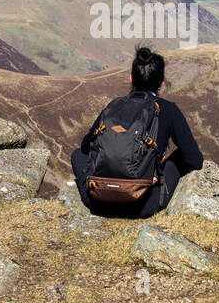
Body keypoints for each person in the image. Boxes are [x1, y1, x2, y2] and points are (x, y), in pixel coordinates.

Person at [71, 46, 203, 218]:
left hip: (98, 202)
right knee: (180, 156)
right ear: (162, 82)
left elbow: (85, 147)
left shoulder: (114, 106)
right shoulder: (169, 110)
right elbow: (195, 160)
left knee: (76, 155)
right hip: (143, 204)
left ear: (131, 78)